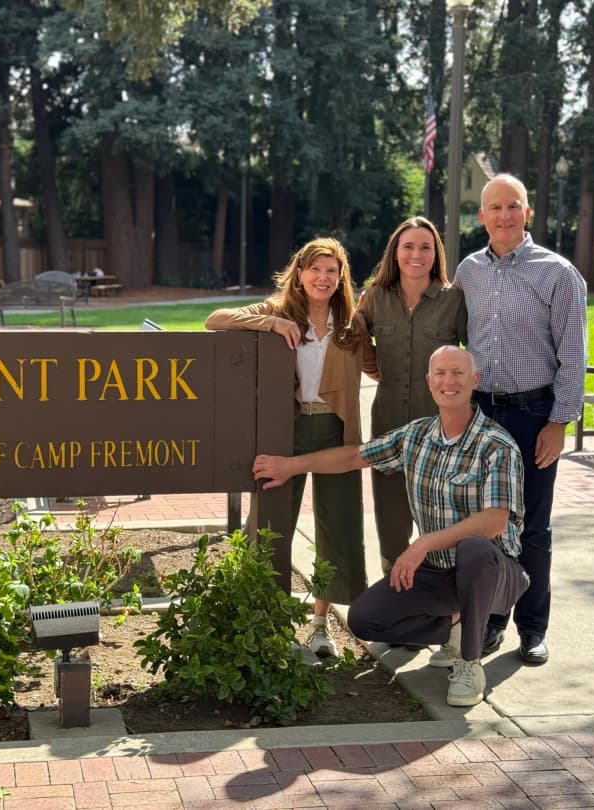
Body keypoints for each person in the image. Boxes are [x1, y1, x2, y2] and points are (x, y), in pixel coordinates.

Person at [252, 346, 529, 707]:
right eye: (441, 373)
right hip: (438, 573)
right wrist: (290, 466)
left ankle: (469, 663)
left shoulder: (496, 444)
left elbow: (494, 520)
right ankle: (456, 624)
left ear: (475, 380)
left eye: (458, 373)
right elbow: (354, 456)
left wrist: (423, 543)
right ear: (429, 382)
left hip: (495, 573)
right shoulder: (416, 436)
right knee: (365, 619)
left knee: (474, 548)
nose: (449, 381)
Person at [205, 237, 370, 657]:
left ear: (341, 278)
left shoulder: (351, 324)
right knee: (269, 523)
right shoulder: (278, 310)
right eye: (315, 269)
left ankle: (320, 624)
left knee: (338, 528)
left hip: (336, 429)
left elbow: (375, 364)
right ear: (299, 273)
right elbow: (215, 319)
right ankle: (262, 620)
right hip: (287, 429)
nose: (323, 277)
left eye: (332, 271)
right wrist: (271, 324)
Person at [453, 173, 588, 666]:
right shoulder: (468, 271)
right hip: (481, 415)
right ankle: (491, 621)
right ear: (482, 216)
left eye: (513, 206)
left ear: (527, 212)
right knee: (485, 526)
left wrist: (560, 422)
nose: (504, 215)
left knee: (532, 527)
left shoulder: (558, 273)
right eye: (495, 207)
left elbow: (574, 356)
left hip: (535, 415)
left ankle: (532, 629)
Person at [360, 216, 467, 575]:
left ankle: (440, 589)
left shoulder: (454, 299)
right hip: (387, 419)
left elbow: (473, 356)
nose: (416, 255)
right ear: (395, 252)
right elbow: (356, 341)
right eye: (408, 246)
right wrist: (377, 370)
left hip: (439, 426)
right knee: (390, 513)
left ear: (436, 255)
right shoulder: (375, 298)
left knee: (439, 511)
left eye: (425, 247)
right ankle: (395, 585)